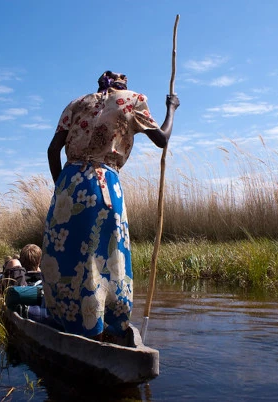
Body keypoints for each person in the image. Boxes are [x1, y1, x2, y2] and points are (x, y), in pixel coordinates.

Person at [40, 70, 180, 340]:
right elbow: (162, 139)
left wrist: (63, 188)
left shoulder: (76, 103)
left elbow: (52, 150)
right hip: (103, 184)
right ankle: (106, 325)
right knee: (104, 257)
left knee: (66, 255)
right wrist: (171, 108)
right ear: (122, 84)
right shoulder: (133, 100)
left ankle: (65, 321)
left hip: (69, 184)